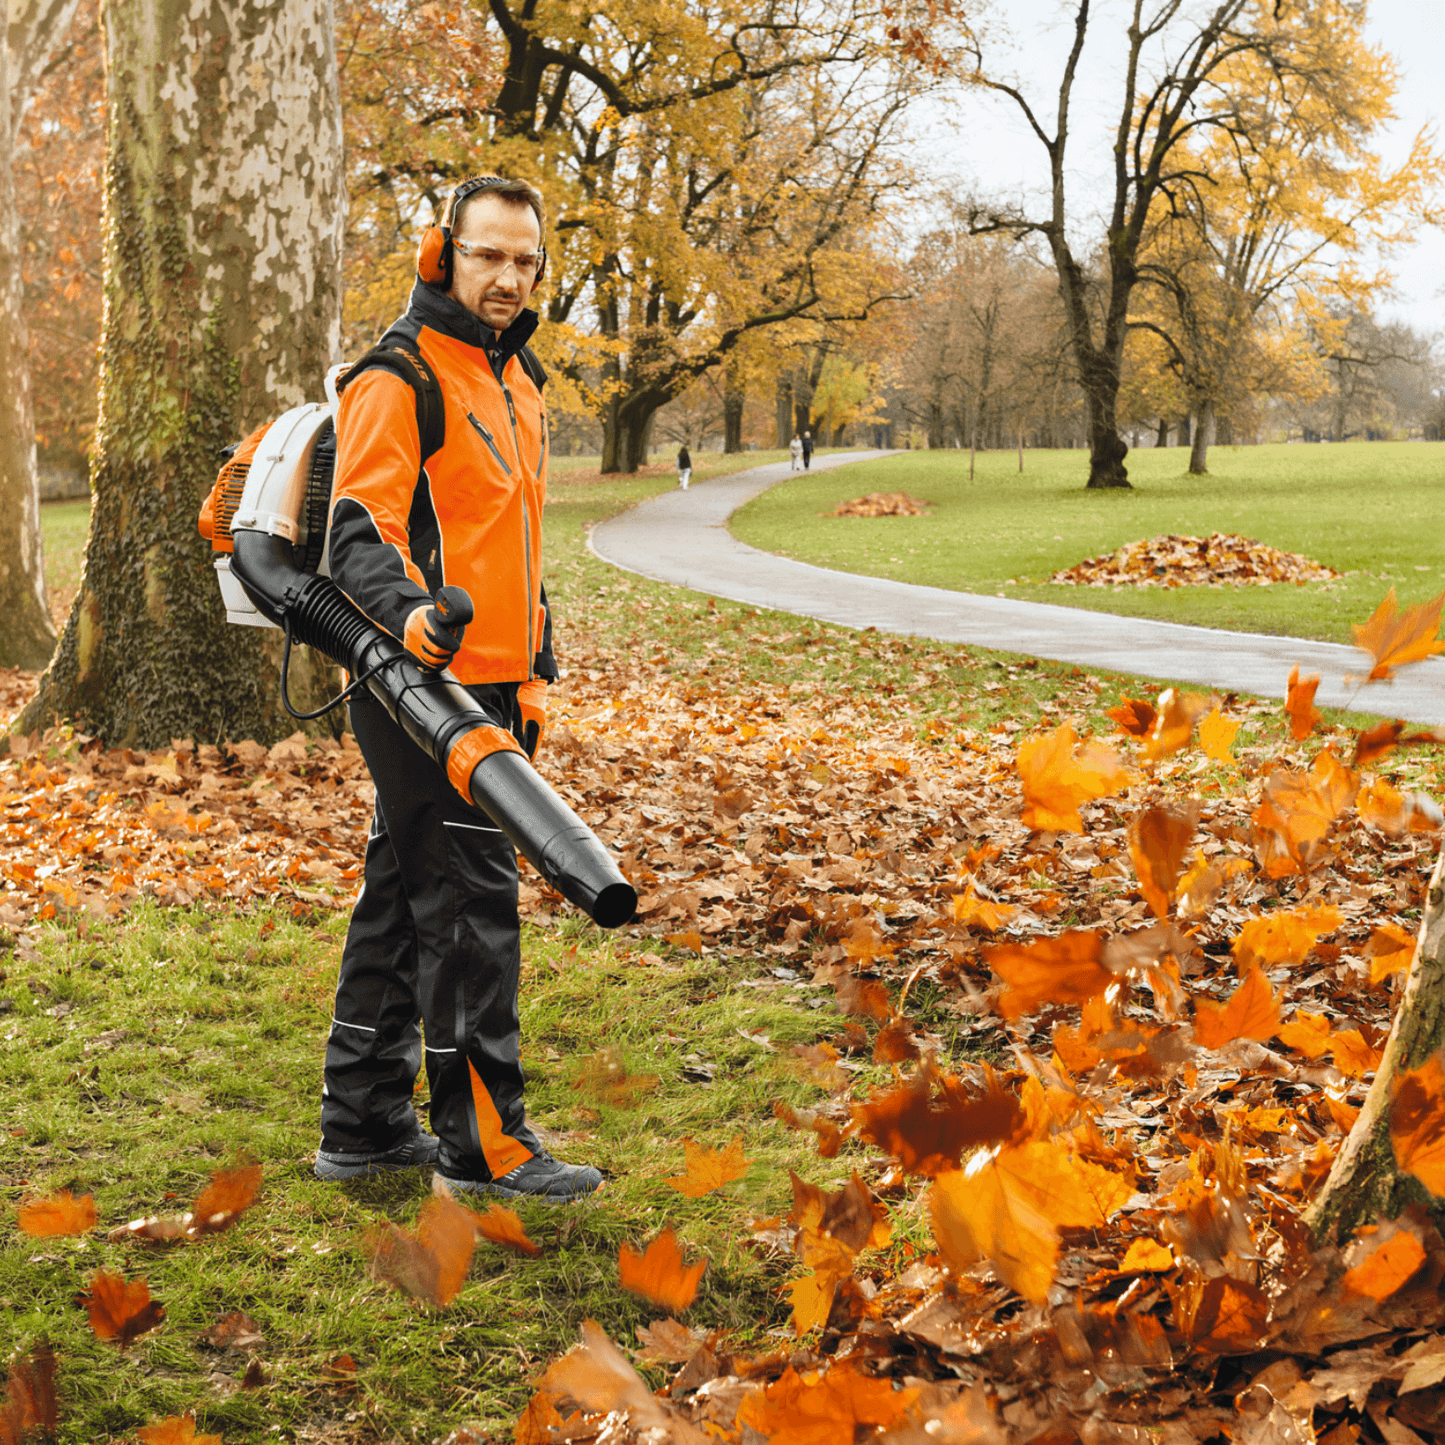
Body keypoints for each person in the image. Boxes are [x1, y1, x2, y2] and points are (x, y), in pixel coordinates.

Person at [314, 174, 603, 1202]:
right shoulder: (399, 376)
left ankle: (361, 1122)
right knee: (474, 910)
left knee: (403, 896)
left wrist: (535, 649)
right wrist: (412, 618)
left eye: (525, 259)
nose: (507, 276)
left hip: (500, 682)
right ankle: (488, 1145)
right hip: (424, 692)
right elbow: (361, 530)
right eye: (487, 254)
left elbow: (504, 529)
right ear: (442, 254)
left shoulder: (513, 374)